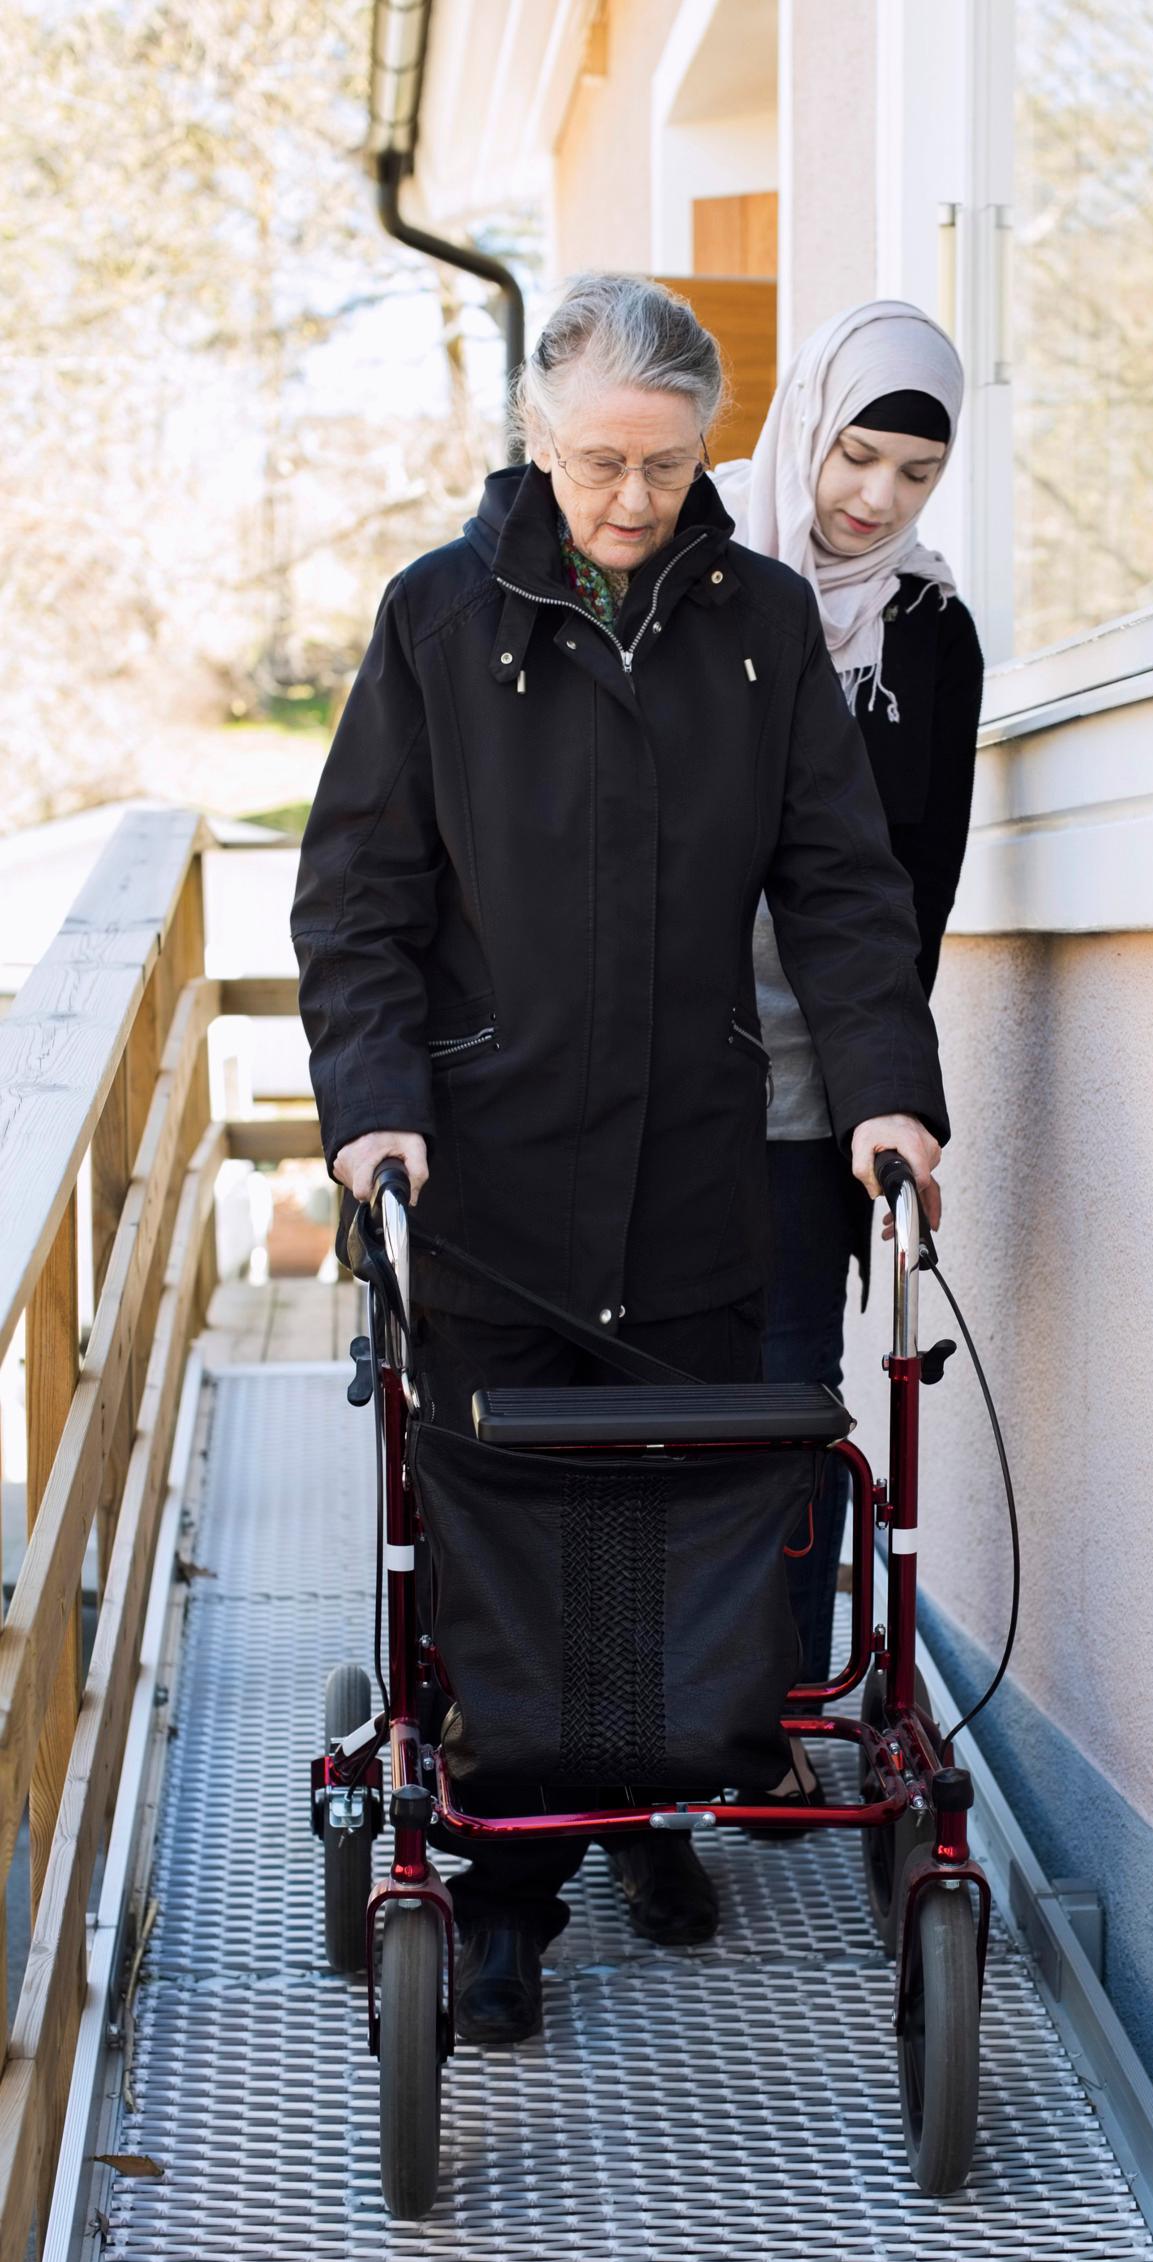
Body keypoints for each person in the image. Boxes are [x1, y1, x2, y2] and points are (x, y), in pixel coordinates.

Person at [291, 273, 949, 2045]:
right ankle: (507, 1898)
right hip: (489, 1181)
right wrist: (371, 1111)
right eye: (599, 462)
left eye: (666, 466)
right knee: (502, 1530)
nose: (633, 501)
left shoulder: (756, 631)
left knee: (672, 1517)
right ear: (531, 436)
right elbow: (357, 904)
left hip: (689, 1175)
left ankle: (637, 1814)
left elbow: (836, 882)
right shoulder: (434, 622)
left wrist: (888, 1087)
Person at [716, 301, 984, 1707]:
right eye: (856, 455)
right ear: (809, 426)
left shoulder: (931, 633)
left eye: (916, 476)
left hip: (811, 1083)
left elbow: (912, 894)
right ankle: (619, 1726)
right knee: (638, 1405)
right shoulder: (692, 573)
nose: (873, 499)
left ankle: (759, 1716)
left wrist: (883, 1091)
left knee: (786, 1400)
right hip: (652, 1071)